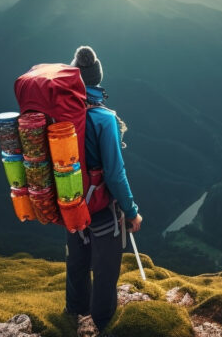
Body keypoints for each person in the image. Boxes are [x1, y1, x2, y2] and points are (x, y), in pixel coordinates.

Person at [65, 45, 143, 337]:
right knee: (106, 267)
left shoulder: (59, 113)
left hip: (70, 202)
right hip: (100, 208)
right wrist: (131, 211)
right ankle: (103, 323)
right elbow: (114, 173)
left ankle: (74, 312)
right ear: (97, 79)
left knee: (77, 261)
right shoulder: (104, 118)